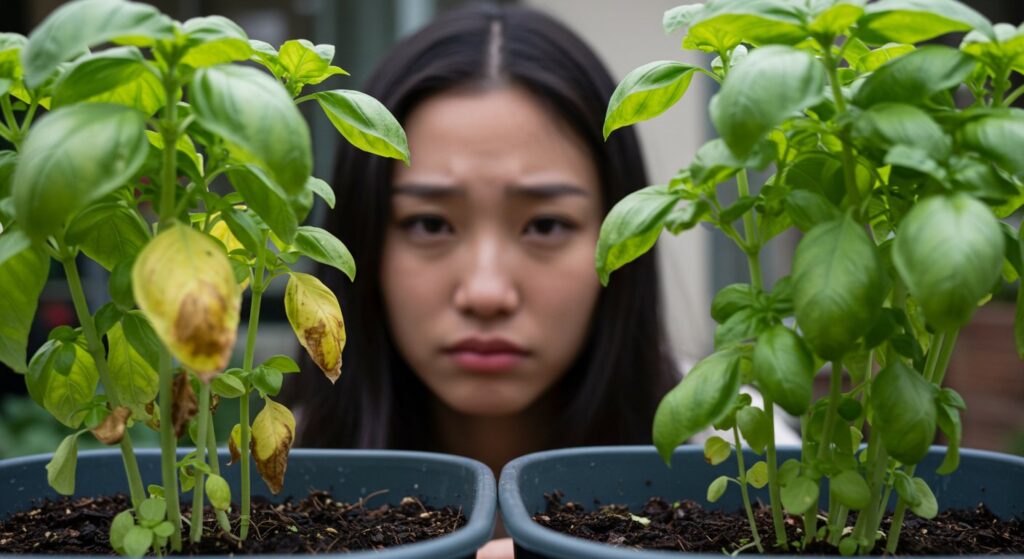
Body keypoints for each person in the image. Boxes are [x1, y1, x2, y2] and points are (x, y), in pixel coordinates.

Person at [283, 3, 679, 557]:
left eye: (545, 225)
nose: (487, 292)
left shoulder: (748, 466)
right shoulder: (262, 485)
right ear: (363, 242)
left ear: (623, 236)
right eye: (430, 224)